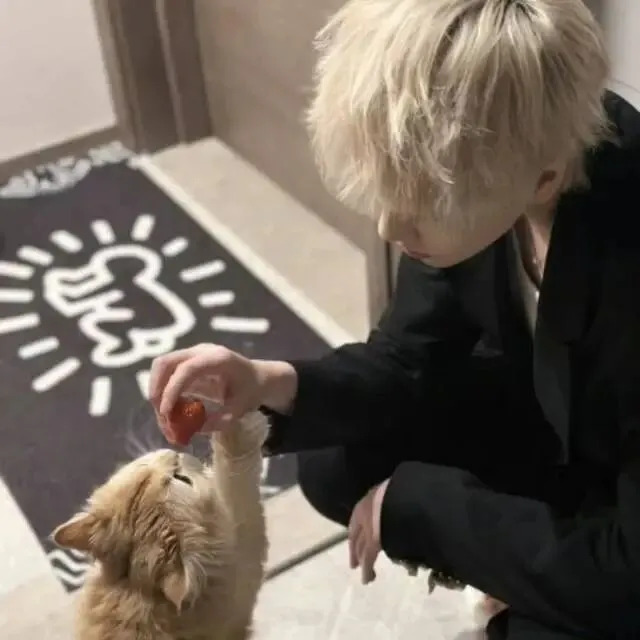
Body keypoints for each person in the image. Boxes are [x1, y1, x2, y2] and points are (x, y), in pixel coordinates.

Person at [149, 0, 640, 637]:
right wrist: (268, 381)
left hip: (620, 508)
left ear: (544, 179)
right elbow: (406, 358)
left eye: (422, 200)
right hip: (565, 426)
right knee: (338, 457)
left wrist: (427, 509)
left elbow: (629, 575)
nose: (388, 225)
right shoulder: (495, 168)